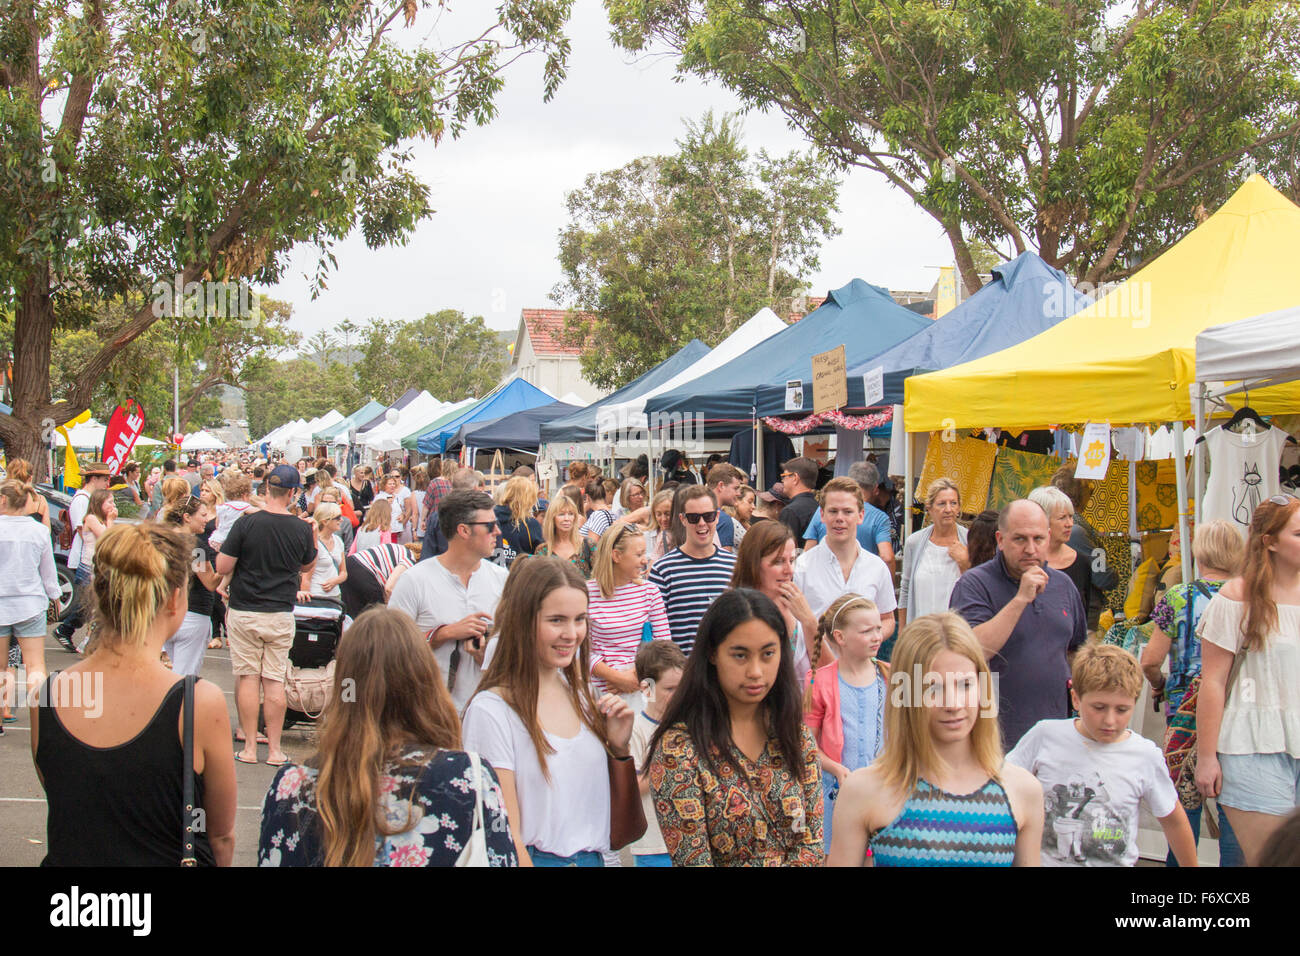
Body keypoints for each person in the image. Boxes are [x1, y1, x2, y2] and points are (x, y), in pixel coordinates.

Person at [31, 523, 237, 865]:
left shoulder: (49, 695)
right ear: (175, 598)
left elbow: (68, 798)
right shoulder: (198, 702)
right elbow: (221, 835)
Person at [258, 606, 518, 866]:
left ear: (343, 686)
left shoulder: (291, 786)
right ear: (426, 684)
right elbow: (500, 858)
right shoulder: (468, 777)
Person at [828, 612, 1044, 866]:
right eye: (933, 688)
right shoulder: (862, 790)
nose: (952, 704)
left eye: (965, 685)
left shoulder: (1022, 790)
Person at [461, 557, 635, 866]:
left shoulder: (582, 696)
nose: (572, 633)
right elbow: (505, 834)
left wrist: (617, 746)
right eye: (557, 620)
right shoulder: (491, 711)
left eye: (580, 619)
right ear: (523, 620)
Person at [648, 588, 824, 866]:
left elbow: (812, 844)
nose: (755, 671)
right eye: (740, 655)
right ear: (713, 654)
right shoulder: (680, 749)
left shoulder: (794, 734)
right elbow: (693, 860)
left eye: (768, 654)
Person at [1008, 644, 1197, 866]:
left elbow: (1173, 819)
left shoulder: (1145, 755)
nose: (1109, 720)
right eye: (1098, 707)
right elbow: (1004, 787)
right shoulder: (1045, 735)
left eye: (1122, 710)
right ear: (1076, 699)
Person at [1195, 496, 1300, 866]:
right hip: (1251, 745)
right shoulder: (1236, 597)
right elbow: (1213, 682)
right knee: (1271, 860)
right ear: (1269, 541)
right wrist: (1206, 757)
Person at [1140, 519, 1245, 865]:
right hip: (1237, 714)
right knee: (1234, 813)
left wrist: (1160, 685)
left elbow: (1150, 660)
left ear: (1198, 552)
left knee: (1183, 816)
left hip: (1185, 717)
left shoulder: (1178, 596)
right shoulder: (1251, 598)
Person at [948, 500, 1087, 748]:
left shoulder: (1064, 585)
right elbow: (972, 651)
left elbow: (1076, 650)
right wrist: (1021, 599)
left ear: (1049, 538)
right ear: (1000, 540)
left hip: (1055, 735)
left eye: (1038, 539)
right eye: (1020, 539)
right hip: (994, 738)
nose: (1031, 549)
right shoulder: (974, 585)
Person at [216, 464, 318, 767]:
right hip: (280, 612)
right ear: (292, 493)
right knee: (274, 681)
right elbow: (306, 567)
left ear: (266, 490)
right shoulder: (301, 528)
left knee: (247, 677)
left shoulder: (247, 524)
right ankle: (274, 749)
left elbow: (222, 566)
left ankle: (249, 746)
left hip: (245, 609)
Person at [388, 490, 508, 713]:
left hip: (486, 714)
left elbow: (513, 655)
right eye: (490, 526)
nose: (498, 532)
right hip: (428, 715)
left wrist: (485, 654)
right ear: (463, 530)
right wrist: (442, 635)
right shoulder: (415, 581)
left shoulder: (502, 581)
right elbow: (388, 653)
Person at [804, 594, 888, 850]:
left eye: (878, 629)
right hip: (836, 794)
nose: (876, 636)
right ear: (840, 637)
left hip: (883, 791)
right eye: (866, 631)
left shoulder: (892, 675)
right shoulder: (818, 680)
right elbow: (806, 745)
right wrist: (836, 769)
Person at [793, 477, 897, 648]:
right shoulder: (802, 567)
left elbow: (887, 619)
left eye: (848, 512)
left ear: (861, 515)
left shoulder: (877, 568)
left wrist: (870, 639)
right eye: (833, 511)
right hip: (815, 670)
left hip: (861, 670)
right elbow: (791, 625)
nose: (839, 518)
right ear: (822, 515)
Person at [648, 486, 737, 654]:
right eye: (694, 518)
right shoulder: (663, 571)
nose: (702, 523)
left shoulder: (735, 566)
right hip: (682, 672)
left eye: (708, 516)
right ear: (682, 519)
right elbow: (655, 634)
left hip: (725, 672)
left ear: (717, 517)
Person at [587, 522, 670, 698]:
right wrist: (616, 677)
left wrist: (633, 678)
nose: (644, 560)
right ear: (616, 556)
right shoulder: (587, 594)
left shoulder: (650, 591)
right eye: (639, 554)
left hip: (646, 685)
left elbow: (663, 644)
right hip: (603, 691)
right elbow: (582, 650)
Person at [729, 520, 818, 680]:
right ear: (753, 563)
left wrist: (810, 622)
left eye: (791, 561)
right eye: (778, 561)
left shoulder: (797, 607)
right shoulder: (734, 612)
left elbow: (828, 673)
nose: (789, 570)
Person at [0, 481, 60, 714]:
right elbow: (48, 570)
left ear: (4, 500)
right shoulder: (39, 530)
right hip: (31, 603)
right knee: (35, 665)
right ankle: (44, 720)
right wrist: (54, 595)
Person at [629, 639, 686, 867]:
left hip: (690, 842)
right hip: (653, 845)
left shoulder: (689, 726)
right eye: (670, 689)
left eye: (682, 688)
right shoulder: (635, 729)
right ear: (647, 688)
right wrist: (669, 768)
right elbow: (631, 785)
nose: (678, 695)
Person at [51, 461, 112, 654]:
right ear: (93, 479)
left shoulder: (88, 498)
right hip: (85, 558)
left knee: (89, 603)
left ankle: (73, 633)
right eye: (104, 479)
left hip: (90, 558)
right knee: (87, 603)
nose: (106, 483)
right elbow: (81, 528)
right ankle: (66, 630)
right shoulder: (82, 500)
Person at [898, 478, 970, 632]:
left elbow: (979, 586)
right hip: (921, 634)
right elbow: (905, 589)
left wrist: (965, 563)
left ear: (959, 508)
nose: (948, 509)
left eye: (953, 503)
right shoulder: (914, 542)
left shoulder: (970, 541)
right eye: (942, 504)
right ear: (929, 509)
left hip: (958, 635)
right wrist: (902, 634)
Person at [160, 494, 221, 676]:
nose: (206, 520)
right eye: (202, 515)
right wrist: (227, 567)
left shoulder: (163, 540)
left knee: (174, 673)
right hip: (193, 613)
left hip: (165, 614)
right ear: (187, 517)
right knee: (185, 677)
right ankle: (180, 704)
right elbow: (209, 582)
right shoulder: (195, 546)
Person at [802, 462, 896, 571]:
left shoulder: (824, 510)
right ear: (875, 489)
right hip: (863, 580)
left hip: (824, 578)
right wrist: (888, 585)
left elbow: (808, 552)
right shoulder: (879, 518)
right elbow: (887, 557)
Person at [1028, 485, 1091, 611]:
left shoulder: (1081, 562)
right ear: (1041, 520)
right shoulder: (1023, 561)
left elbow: (1086, 609)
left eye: (1071, 516)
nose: (1070, 524)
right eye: (1062, 518)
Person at [341, 541, 414, 621]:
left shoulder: (401, 550)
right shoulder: (411, 560)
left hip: (350, 564)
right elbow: (389, 589)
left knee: (353, 618)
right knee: (378, 619)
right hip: (365, 572)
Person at [532, 495, 594, 577]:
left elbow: (600, 579)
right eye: (561, 514)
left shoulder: (588, 545)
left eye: (571, 514)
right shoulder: (543, 550)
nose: (567, 518)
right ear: (552, 518)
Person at [493, 476, 542, 568]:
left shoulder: (490, 517)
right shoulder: (530, 524)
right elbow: (541, 555)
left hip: (493, 574)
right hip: (521, 576)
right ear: (528, 498)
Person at [304, 502, 347, 600]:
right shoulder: (314, 543)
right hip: (316, 595)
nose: (341, 520)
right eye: (337, 518)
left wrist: (334, 581)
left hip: (335, 594)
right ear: (325, 521)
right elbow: (306, 577)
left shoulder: (338, 541)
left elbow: (344, 572)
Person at [776, 457, 820, 544]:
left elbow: (784, 548)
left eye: (784, 476)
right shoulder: (820, 508)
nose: (782, 481)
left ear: (795, 478)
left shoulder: (791, 512)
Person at [705, 463, 745, 549]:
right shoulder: (723, 520)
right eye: (735, 488)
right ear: (721, 486)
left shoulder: (692, 515)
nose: (738, 493)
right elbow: (724, 559)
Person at [641, 489, 675, 568]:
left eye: (668, 514)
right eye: (659, 514)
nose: (663, 519)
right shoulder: (645, 537)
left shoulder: (684, 537)